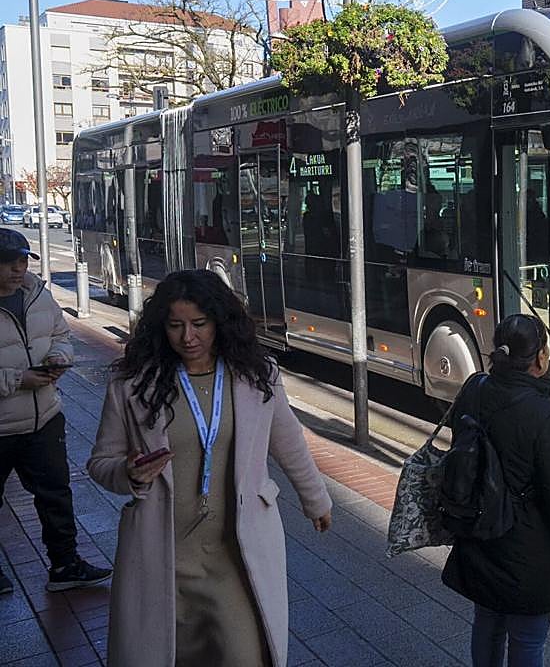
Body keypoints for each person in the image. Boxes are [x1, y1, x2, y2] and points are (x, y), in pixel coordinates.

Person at [88, 269, 333, 666]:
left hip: (236, 554)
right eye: (175, 326)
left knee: (245, 656)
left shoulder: (257, 377)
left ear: (220, 322)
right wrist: (128, 472)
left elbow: (288, 441)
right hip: (162, 555)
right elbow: (100, 463)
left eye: (199, 324)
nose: (188, 337)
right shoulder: (132, 385)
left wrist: (316, 499)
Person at [441, 314, 550, 667]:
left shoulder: (474, 389)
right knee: (527, 640)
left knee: (487, 623)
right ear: (539, 358)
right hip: (528, 547)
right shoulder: (545, 415)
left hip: (479, 532)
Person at [0, 228, 112, 596]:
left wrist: (60, 357)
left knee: (56, 495)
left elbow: (61, 335)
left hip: (45, 417)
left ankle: (65, 565)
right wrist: (19, 379)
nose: (18, 270)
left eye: (22, 261)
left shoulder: (38, 295)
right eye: (9, 263)